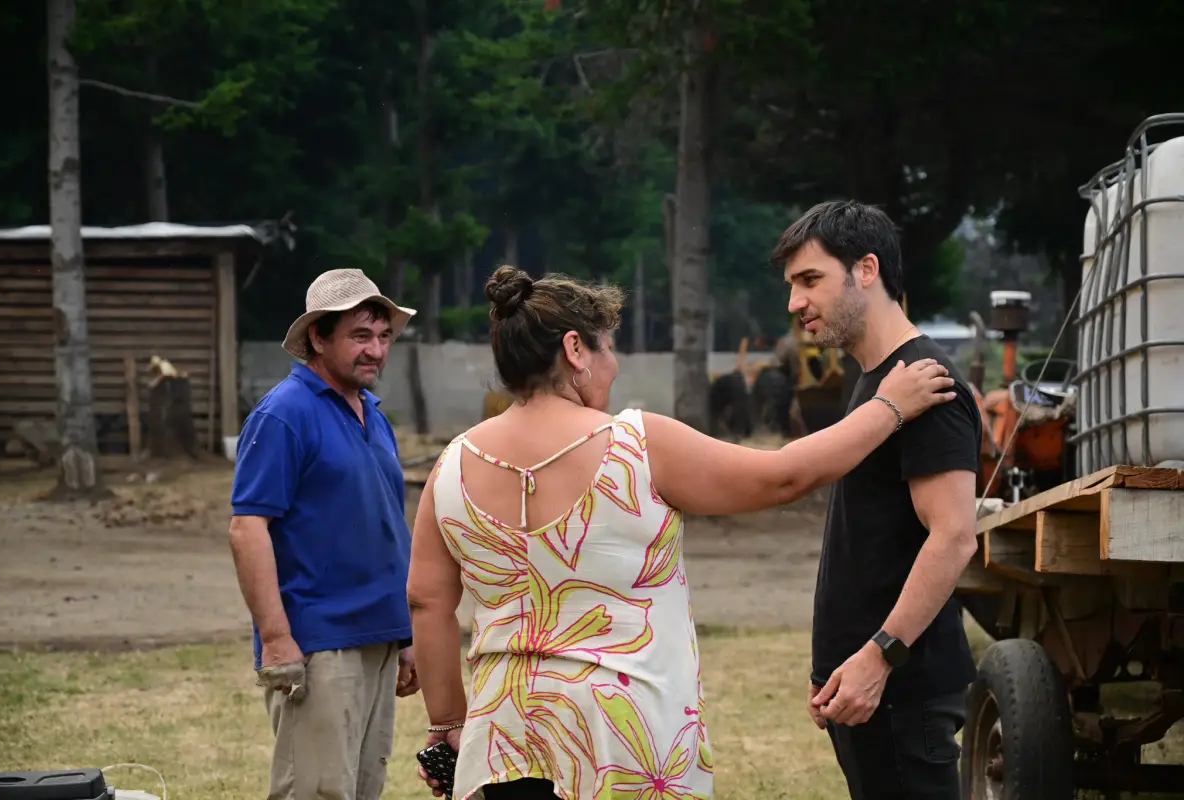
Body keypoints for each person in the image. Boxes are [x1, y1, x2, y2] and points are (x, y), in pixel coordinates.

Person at [406, 265, 959, 800]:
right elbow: (783, 475)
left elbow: (427, 602)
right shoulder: (634, 443)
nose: (614, 367)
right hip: (625, 737)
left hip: (505, 736)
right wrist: (889, 406)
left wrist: (447, 723)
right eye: (608, 348)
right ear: (575, 350)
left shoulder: (451, 466)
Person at [771, 200, 982, 800]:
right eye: (791, 286)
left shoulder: (925, 382)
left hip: (899, 691)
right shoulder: (883, 384)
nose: (795, 303)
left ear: (866, 270)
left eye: (810, 280)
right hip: (866, 690)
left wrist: (879, 658)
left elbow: (953, 536)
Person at [228, 268, 422, 800]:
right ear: (318, 337)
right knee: (315, 793)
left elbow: (385, 527)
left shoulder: (374, 415)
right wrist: (276, 638)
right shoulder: (284, 414)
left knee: (361, 790)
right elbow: (248, 530)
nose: (377, 351)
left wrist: (406, 633)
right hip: (319, 644)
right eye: (360, 336)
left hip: (378, 636)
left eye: (383, 337)